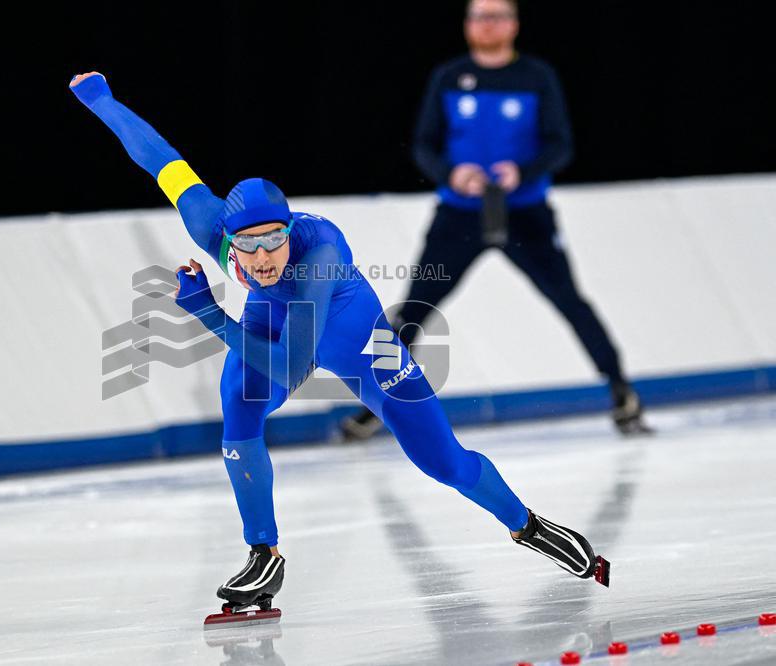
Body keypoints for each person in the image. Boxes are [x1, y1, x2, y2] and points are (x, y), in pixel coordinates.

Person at [68, 70, 610, 617]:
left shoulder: (318, 256)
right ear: (225, 240)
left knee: (443, 464)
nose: (262, 259)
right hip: (276, 322)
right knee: (239, 406)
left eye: (274, 241)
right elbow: (161, 160)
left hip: (353, 341)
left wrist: (208, 312)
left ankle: (527, 524)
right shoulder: (209, 226)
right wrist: (102, 100)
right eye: (249, 247)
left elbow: (289, 366)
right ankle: (264, 552)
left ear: (289, 230)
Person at [341, 0, 651, 440]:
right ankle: (378, 403)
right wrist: (453, 173)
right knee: (414, 308)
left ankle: (621, 389)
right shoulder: (449, 78)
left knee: (568, 299)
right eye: (479, 16)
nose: (488, 25)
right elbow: (424, 145)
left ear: (514, 24)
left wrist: (520, 173)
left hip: (524, 214)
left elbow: (560, 144)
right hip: (460, 215)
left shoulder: (536, 77)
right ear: (467, 25)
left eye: (497, 16)